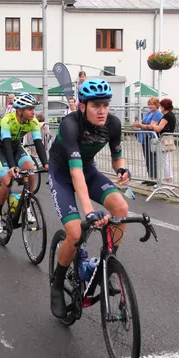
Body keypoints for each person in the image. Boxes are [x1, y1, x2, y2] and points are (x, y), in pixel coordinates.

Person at [48, 78, 131, 319]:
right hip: (63, 174)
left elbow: (117, 157)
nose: (102, 110)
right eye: (96, 105)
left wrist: (121, 170)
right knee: (74, 233)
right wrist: (89, 211)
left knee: (121, 207)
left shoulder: (113, 124)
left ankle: (107, 263)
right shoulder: (70, 125)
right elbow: (75, 173)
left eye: (105, 105)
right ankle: (57, 284)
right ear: (82, 106)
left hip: (88, 170)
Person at [0, 93, 48, 234]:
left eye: (33, 108)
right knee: (7, 181)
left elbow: (38, 143)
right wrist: (12, 167)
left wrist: (46, 164)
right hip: (1, 149)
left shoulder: (33, 122)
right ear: (20, 110)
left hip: (16, 148)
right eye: (30, 109)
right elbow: (7, 144)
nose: (33, 112)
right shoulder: (7, 120)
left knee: (31, 170)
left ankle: (27, 206)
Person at [132, 97, 163, 184]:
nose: (150, 106)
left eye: (152, 104)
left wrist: (140, 125)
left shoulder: (157, 114)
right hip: (145, 137)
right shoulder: (149, 112)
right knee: (147, 157)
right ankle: (150, 176)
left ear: (157, 105)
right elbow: (145, 123)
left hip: (151, 137)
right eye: (149, 104)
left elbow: (152, 125)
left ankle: (154, 177)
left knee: (152, 157)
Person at [150, 98, 176, 187]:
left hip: (165, 139)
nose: (160, 108)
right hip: (168, 138)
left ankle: (169, 181)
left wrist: (153, 125)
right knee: (166, 160)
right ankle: (168, 179)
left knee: (165, 161)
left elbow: (158, 128)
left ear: (164, 107)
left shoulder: (167, 116)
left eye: (161, 106)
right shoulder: (171, 115)